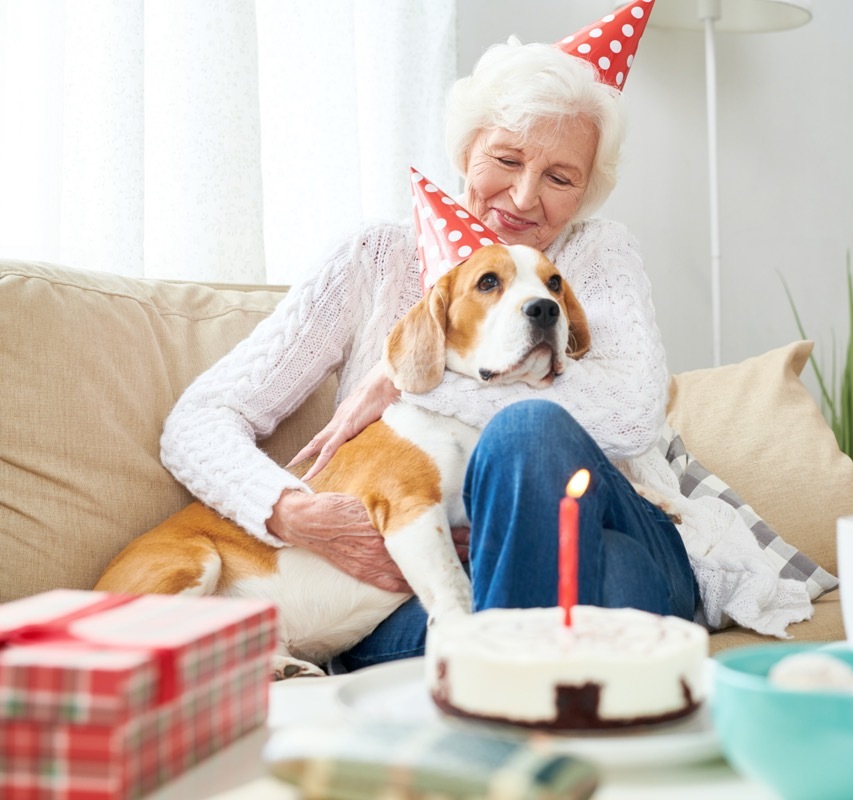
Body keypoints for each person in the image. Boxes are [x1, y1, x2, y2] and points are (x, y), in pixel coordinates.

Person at [160, 1, 812, 671]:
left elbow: (629, 417)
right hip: (424, 586)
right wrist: (289, 513)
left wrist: (408, 379)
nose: (525, 198)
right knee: (614, 584)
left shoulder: (597, 256)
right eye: (505, 158)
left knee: (531, 434)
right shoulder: (375, 259)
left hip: (612, 517)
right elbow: (198, 421)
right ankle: (530, 679)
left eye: (561, 178)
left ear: (586, 192)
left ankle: (498, 698)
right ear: (466, 149)